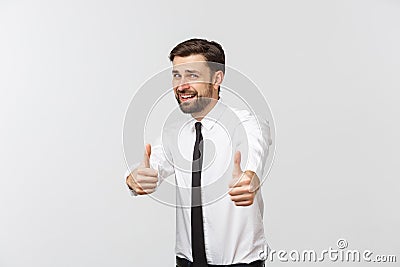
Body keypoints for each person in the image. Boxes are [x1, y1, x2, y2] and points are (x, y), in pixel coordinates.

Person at [125, 38, 271, 266]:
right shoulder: (174, 132)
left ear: (217, 78)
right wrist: (135, 179)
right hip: (186, 261)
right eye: (176, 75)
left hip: (239, 263)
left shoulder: (246, 123)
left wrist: (250, 178)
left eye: (192, 75)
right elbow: (151, 166)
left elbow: (255, 151)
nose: (181, 85)